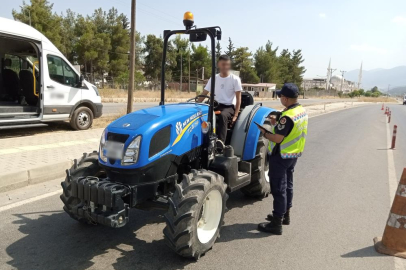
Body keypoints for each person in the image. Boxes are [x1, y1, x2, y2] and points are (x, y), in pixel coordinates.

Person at [256, 83, 308, 235]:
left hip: (281, 156)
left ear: (285, 99)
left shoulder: (287, 117)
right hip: (293, 155)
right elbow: (290, 129)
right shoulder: (300, 111)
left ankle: (276, 223)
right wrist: (277, 121)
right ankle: (286, 215)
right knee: (288, 185)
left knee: (278, 189)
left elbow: (278, 138)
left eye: (280, 97)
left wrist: (264, 132)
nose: (279, 99)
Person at [200, 55, 242, 143]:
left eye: (227, 65)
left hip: (228, 107)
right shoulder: (213, 78)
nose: (225, 67)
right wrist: (195, 104)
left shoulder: (235, 79)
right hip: (214, 105)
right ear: (219, 65)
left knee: (223, 116)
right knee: (201, 115)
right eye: (223, 64)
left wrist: (235, 115)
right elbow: (204, 93)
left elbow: (238, 99)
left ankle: (220, 144)